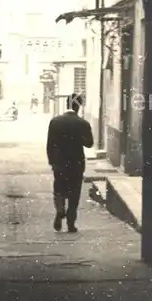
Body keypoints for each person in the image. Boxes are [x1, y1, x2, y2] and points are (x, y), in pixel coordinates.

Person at [46, 93, 94, 233]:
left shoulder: (55, 121)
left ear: (67, 104)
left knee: (59, 188)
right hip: (76, 163)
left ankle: (60, 210)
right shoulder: (83, 123)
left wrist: (52, 161)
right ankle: (71, 223)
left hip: (59, 163)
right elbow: (89, 144)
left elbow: (50, 145)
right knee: (74, 192)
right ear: (78, 107)